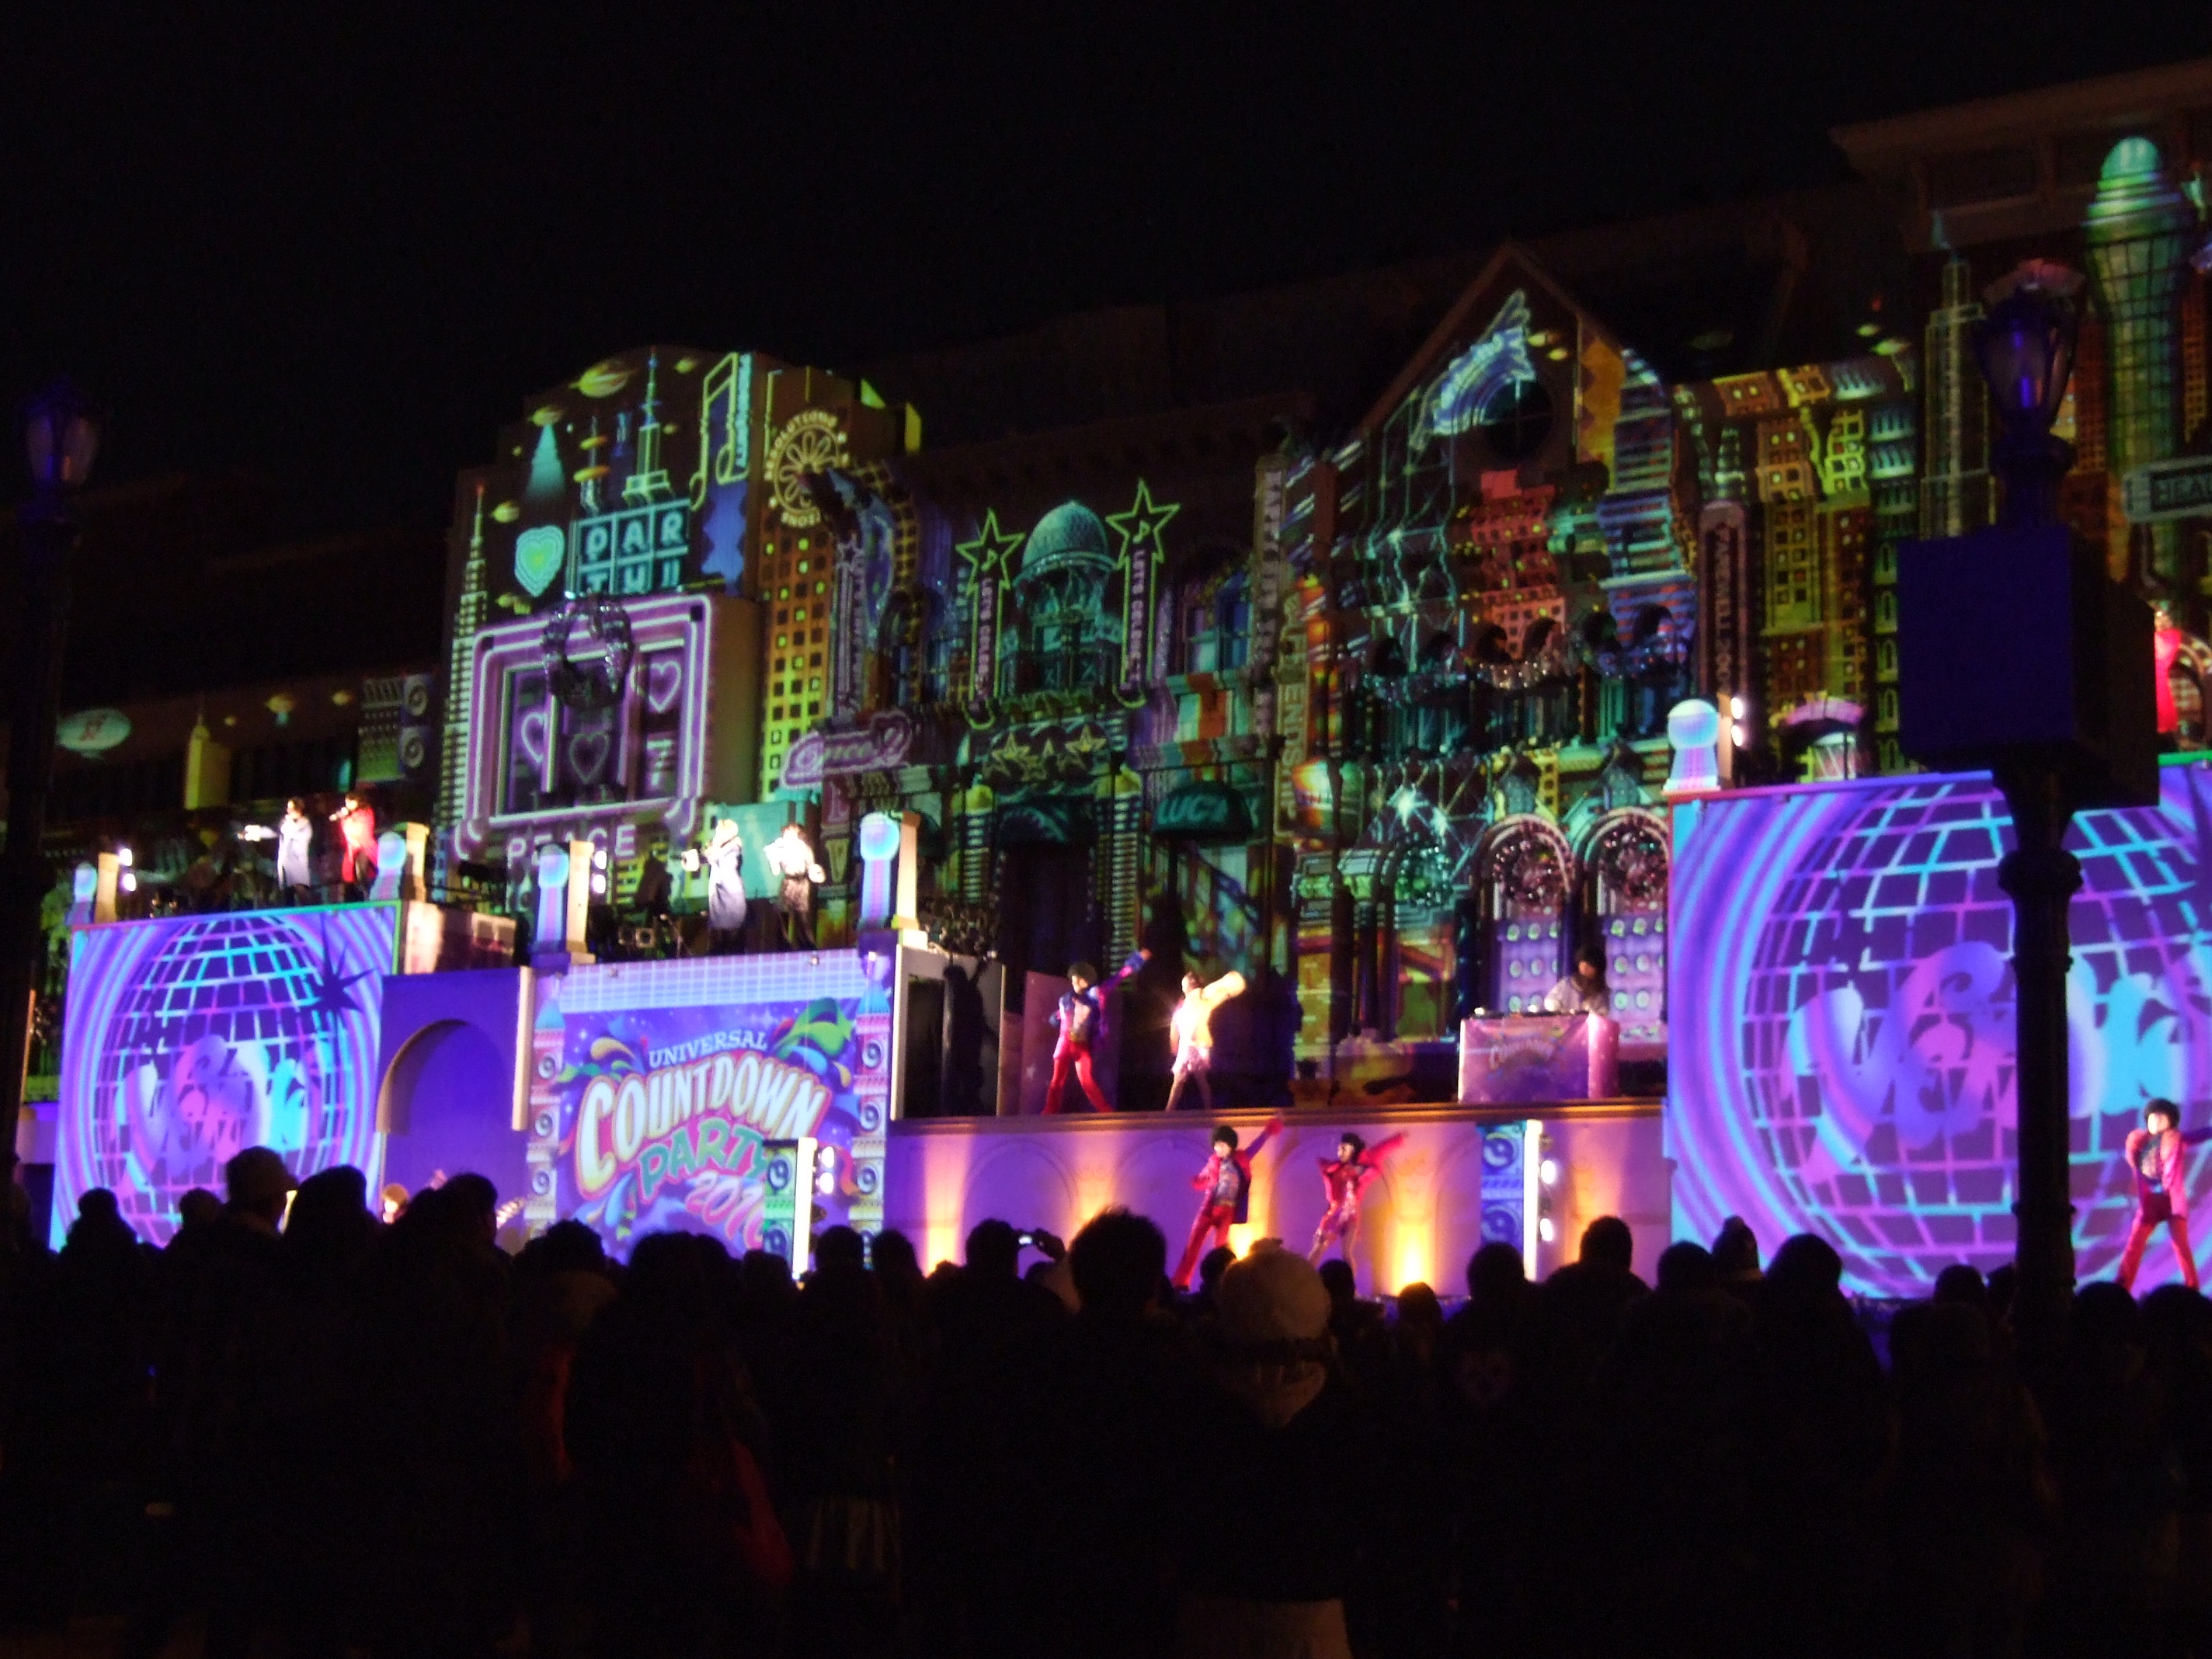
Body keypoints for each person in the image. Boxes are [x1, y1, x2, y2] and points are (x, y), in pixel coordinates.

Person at [1174, 1118, 1282, 1289]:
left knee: (1220, 1249)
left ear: (1231, 1145)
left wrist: (1269, 1131)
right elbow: (1205, 1179)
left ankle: (1220, 1282)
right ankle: (1181, 1282)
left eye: (1222, 1145)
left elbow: (1257, 1145)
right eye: (1216, 1145)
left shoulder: (1241, 1159)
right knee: (1193, 1244)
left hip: (1227, 1210)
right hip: (1209, 1209)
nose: (1218, 1149)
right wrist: (1197, 1182)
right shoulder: (1213, 1162)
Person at [2117, 1096, 2212, 1289]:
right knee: (2134, 1246)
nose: (2156, 1120)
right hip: (2150, 1203)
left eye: (2162, 1117)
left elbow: (2200, 1134)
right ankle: (2121, 1288)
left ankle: (2192, 1289)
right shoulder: (2139, 1144)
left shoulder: (2176, 1139)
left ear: (2171, 1121)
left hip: (2172, 1202)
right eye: (2153, 1117)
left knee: (2181, 1246)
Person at [1043, 950, 1149, 1114]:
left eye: (1081, 978)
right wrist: (1055, 1018)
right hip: (1064, 1043)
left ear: (1086, 981)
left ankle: (1105, 1110)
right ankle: (1050, 1110)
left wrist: (1137, 960)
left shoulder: (1095, 996)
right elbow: (1058, 1017)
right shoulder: (1065, 999)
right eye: (1075, 978)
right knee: (1057, 1080)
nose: (1077, 981)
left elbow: (1117, 978)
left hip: (1081, 1044)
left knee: (1086, 1080)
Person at [1308, 1131, 1406, 1283]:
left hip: (1351, 1215)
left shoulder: (1361, 1168)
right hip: (1335, 1213)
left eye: (1344, 1149)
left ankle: (1350, 1287)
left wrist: (1397, 1140)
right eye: (1339, 1149)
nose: (1340, 1152)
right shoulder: (1335, 1168)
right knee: (1319, 1246)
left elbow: (1380, 1150)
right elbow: (1332, 1194)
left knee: (1347, 1253)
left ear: (1353, 1150)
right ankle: (1304, 1280)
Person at [1166, 968, 1245, 1112]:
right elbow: (1176, 1025)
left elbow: (1215, 993)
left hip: (1194, 1045)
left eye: (1184, 982)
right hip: (1189, 1045)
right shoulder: (1186, 1003)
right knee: (1197, 1080)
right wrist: (1174, 1043)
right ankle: (1207, 1110)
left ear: (1190, 983)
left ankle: (1168, 1114)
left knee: (1180, 1080)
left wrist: (1225, 984)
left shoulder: (1200, 997)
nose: (1182, 985)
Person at [682, 819, 747, 954]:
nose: (716, 834)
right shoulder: (722, 849)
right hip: (722, 892)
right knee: (722, 932)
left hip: (730, 894)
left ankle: (732, 954)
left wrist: (709, 851)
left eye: (719, 831)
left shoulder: (732, 848)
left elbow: (712, 857)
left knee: (730, 931)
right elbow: (707, 858)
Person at [764, 820, 827, 949]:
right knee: (782, 914)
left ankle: (806, 944)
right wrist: (772, 858)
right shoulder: (779, 850)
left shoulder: (803, 848)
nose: (786, 834)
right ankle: (783, 944)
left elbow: (811, 867)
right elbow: (776, 872)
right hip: (788, 882)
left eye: (790, 831)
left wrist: (817, 874)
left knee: (801, 916)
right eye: (785, 832)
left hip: (802, 883)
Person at [1542, 942, 1611, 1015]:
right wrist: (1557, 1007)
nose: (1584, 968)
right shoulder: (1567, 984)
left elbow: (1604, 1012)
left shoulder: (1602, 991)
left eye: (1589, 965)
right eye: (1582, 964)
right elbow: (1550, 1000)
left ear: (1597, 968)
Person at [330, 791, 377, 893]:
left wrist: (347, 819)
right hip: (352, 848)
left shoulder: (365, 812)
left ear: (357, 801)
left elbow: (361, 829)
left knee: (361, 870)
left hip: (365, 846)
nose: (348, 805)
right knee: (350, 875)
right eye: (347, 802)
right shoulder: (347, 814)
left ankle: (368, 893)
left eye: (350, 802)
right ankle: (360, 892)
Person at [274, 798, 314, 898]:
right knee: (287, 895)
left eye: (291, 808)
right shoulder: (285, 823)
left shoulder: (305, 824)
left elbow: (292, 833)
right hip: (286, 866)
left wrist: (288, 823)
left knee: (301, 892)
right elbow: (277, 832)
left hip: (297, 865)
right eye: (288, 808)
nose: (288, 811)